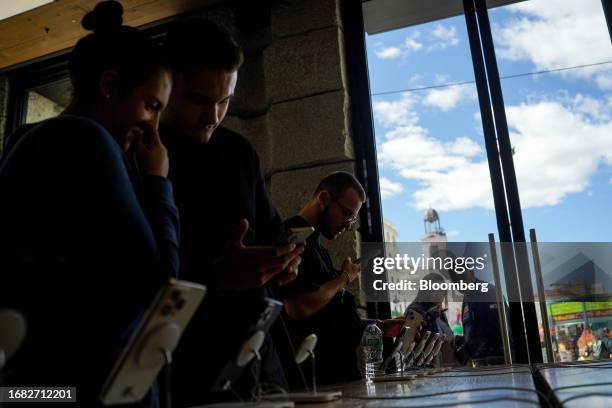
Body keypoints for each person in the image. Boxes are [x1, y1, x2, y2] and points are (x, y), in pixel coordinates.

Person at [0, 1, 177, 406]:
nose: (153, 126)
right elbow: (160, 288)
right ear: (109, 86)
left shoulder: (27, 139)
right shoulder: (87, 141)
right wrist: (158, 182)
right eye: (151, 105)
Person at [160, 19, 303, 406]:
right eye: (199, 100)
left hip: (256, 352)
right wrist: (215, 275)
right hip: (180, 363)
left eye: (225, 101)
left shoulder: (239, 151)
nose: (214, 116)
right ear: (165, 83)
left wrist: (285, 260)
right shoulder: (142, 151)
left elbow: (273, 230)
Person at [274, 172, 402, 388]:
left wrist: (377, 326)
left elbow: (326, 315)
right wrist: (344, 277)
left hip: (337, 379)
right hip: (316, 382)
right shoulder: (293, 238)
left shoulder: (319, 247)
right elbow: (299, 306)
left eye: (352, 219)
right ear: (323, 198)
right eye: (346, 214)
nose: (349, 225)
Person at [404, 272, 459, 367]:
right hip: (423, 368)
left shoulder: (440, 313)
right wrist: (429, 317)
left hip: (444, 368)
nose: (439, 294)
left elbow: (446, 339)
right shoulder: (414, 310)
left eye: (442, 290)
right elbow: (408, 341)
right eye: (434, 289)